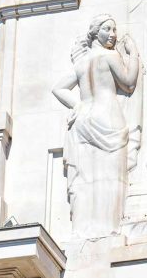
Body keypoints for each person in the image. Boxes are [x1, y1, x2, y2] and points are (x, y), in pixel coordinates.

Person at [52, 15, 141, 238]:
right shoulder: (110, 56)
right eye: (107, 29)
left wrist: (78, 106)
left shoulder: (81, 62)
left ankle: (83, 228)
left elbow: (59, 88)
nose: (113, 35)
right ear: (95, 32)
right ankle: (108, 227)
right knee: (110, 175)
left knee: (85, 175)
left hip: (84, 119)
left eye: (114, 30)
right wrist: (133, 54)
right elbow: (129, 82)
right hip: (107, 116)